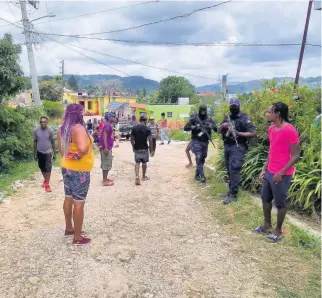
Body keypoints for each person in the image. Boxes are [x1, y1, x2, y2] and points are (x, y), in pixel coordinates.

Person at [254, 102, 300, 243]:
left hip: (282, 174)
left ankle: (278, 231)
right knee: (265, 198)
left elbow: (296, 155)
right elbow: (271, 150)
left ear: (278, 114)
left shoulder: (290, 130)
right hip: (270, 171)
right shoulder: (271, 129)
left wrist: (281, 172)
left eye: (269, 112)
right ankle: (267, 225)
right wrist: (264, 169)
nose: (267, 114)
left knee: (280, 203)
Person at [57, 104, 94, 246]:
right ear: (79, 114)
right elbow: (83, 148)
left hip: (66, 168)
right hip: (80, 170)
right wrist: (78, 156)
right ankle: (77, 237)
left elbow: (62, 151)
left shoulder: (62, 129)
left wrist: (70, 157)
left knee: (68, 197)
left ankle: (69, 228)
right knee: (79, 202)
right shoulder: (78, 128)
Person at [217, 97, 256, 204]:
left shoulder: (244, 118)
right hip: (227, 146)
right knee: (229, 170)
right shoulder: (227, 118)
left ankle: (233, 195)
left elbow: (252, 133)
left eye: (235, 106)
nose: (233, 108)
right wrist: (223, 125)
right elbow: (218, 131)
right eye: (232, 106)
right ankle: (230, 191)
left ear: (239, 106)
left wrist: (238, 133)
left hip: (238, 147)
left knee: (234, 169)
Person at [184, 105, 217, 183]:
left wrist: (211, 125)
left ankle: (197, 175)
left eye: (204, 111)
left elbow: (216, 129)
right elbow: (186, 127)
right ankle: (202, 176)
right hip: (196, 141)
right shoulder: (194, 118)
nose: (203, 113)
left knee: (202, 158)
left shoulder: (209, 119)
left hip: (205, 142)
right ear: (199, 110)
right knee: (198, 156)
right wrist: (194, 127)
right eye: (202, 111)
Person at [131, 113, 154, 185]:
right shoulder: (147, 129)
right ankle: (143, 176)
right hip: (144, 149)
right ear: (146, 120)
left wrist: (133, 147)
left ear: (139, 119)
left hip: (137, 148)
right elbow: (150, 140)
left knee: (137, 163)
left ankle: (137, 176)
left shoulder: (134, 128)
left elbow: (131, 139)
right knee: (144, 163)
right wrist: (151, 150)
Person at [33, 116, 56, 192]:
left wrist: (54, 153)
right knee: (41, 167)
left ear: (47, 122)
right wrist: (35, 153)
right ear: (40, 122)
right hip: (40, 152)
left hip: (48, 152)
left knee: (48, 168)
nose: (43, 123)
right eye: (41, 122)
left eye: (44, 122)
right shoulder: (36, 130)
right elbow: (35, 142)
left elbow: (53, 142)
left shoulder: (50, 130)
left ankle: (47, 185)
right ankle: (45, 180)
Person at [99, 112, 115, 186]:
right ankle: (104, 180)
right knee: (106, 163)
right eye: (112, 116)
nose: (114, 118)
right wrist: (105, 147)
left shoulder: (108, 125)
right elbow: (104, 136)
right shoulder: (107, 125)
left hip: (107, 147)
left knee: (107, 162)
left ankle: (105, 178)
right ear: (109, 117)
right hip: (106, 147)